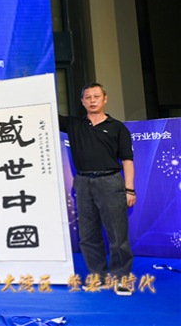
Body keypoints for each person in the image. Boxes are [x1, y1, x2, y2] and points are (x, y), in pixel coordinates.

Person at [59, 83, 136, 296]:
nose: (92, 101)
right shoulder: (74, 124)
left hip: (110, 182)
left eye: (96, 96)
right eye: (88, 97)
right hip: (83, 183)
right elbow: (45, 113)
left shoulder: (117, 127)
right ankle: (98, 278)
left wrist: (130, 190)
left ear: (105, 99)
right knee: (88, 235)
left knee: (118, 235)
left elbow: (127, 161)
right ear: (82, 101)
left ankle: (122, 279)